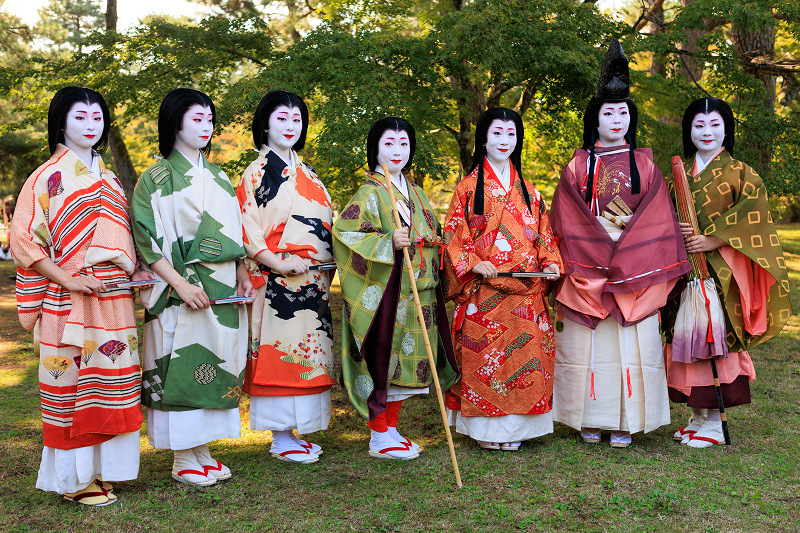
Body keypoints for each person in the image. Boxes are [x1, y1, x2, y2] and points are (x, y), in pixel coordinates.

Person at [10, 86, 152, 506]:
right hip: (69, 296)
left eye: (97, 117)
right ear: (61, 122)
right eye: (80, 117)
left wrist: (137, 268)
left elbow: (122, 236)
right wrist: (69, 280)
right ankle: (73, 480)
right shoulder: (45, 177)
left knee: (114, 383)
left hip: (113, 297)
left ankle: (105, 471)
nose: (91, 125)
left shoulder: (108, 177)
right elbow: (23, 242)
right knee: (70, 384)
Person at [549, 40, 690, 448]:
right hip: (587, 265)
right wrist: (599, 247)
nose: (616, 119)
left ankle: (626, 421)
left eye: (623, 112)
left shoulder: (645, 164)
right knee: (590, 349)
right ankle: (589, 419)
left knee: (631, 348)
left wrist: (627, 248)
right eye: (608, 112)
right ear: (595, 118)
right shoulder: (578, 165)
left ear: (632, 117)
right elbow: (565, 218)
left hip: (638, 268)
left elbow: (658, 218)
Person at [132, 88, 253, 486]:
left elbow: (234, 230)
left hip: (220, 288)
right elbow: (148, 240)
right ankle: (183, 458)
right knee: (179, 363)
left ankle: (202, 449)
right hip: (177, 289)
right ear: (175, 122)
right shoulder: (155, 178)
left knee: (216, 362)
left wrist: (241, 272)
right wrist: (180, 284)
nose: (207, 127)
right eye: (197, 119)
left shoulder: (218, 175)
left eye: (209, 120)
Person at [663, 97, 791, 448]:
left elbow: (755, 218)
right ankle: (697, 415)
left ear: (727, 130)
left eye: (715, 125)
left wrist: (713, 239)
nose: (707, 132)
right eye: (699, 125)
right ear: (689, 131)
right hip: (685, 272)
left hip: (723, 274)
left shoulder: (742, 174)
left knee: (715, 342)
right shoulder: (678, 177)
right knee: (685, 338)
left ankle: (717, 423)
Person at [332, 116, 458, 460]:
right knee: (385, 358)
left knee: (409, 365)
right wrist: (388, 241)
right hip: (388, 293)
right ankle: (378, 435)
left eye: (404, 143)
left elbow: (433, 234)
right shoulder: (369, 192)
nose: (397, 151)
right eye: (389, 143)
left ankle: (391, 429)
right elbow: (347, 234)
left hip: (420, 291)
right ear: (374, 148)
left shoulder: (415, 192)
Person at [442, 107, 562, 451]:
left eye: (511, 134)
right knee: (486, 361)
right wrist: (472, 263)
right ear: (483, 138)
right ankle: (486, 433)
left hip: (525, 291)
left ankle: (520, 430)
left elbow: (543, 236)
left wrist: (550, 262)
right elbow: (453, 235)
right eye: (497, 133)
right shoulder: (467, 188)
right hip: (485, 293)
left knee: (527, 361)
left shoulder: (530, 191)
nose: (504, 141)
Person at [237, 90, 336, 464]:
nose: (291, 126)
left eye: (297, 119)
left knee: (308, 356)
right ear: (265, 124)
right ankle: (280, 436)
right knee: (280, 356)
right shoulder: (255, 173)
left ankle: (295, 432)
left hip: (312, 279)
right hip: (277, 279)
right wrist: (275, 263)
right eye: (282, 118)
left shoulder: (307, 171)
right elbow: (245, 226)